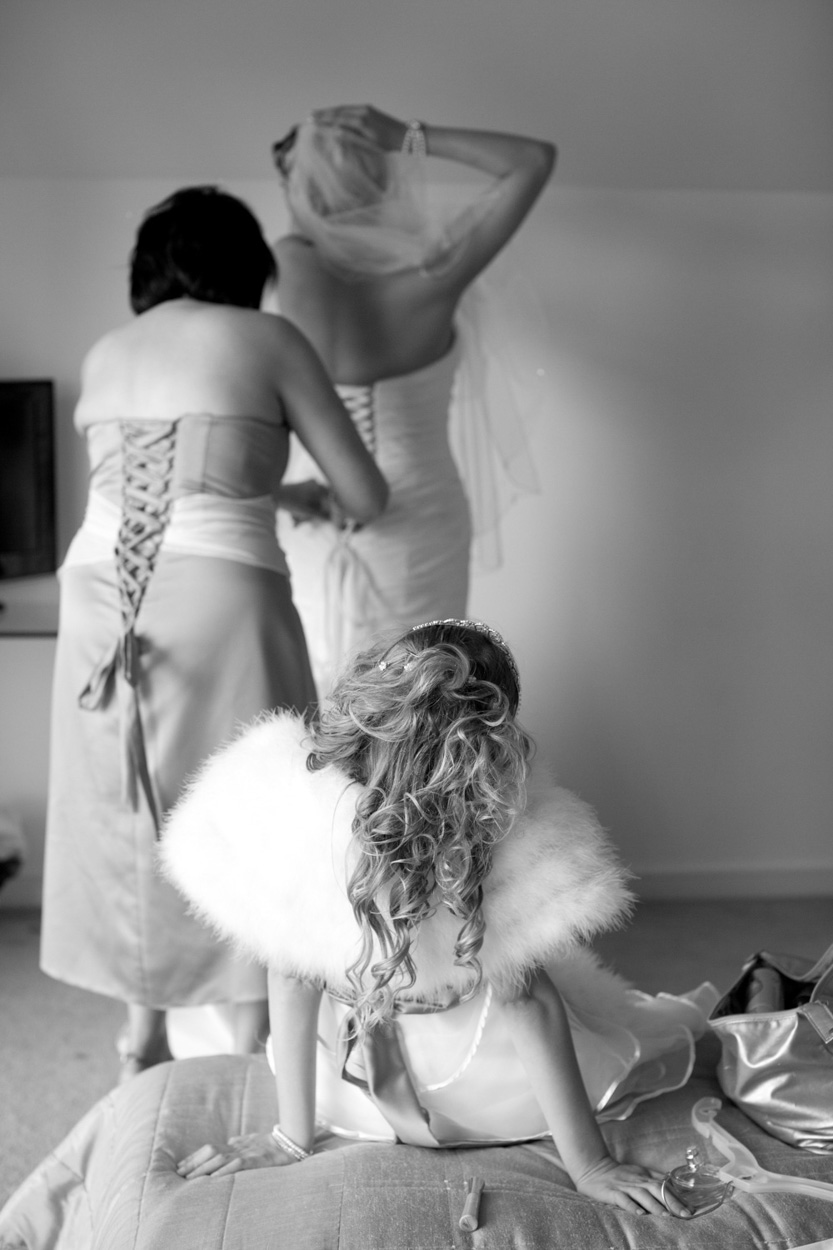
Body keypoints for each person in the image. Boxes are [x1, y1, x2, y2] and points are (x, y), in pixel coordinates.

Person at [161, 619, 716, 1215]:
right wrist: (591, 1164)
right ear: (496, 732)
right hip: (478, 1083)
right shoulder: (513, 822)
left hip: (342, 1087)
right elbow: (524, 1000)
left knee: (225, 1008)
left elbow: (292, 973)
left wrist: (291, 1136)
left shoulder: (298, 799)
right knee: (615, 1024)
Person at [40, 186, 388, 1081]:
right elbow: (365, 494)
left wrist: (269, 488)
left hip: (97, 598)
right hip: (221, 598)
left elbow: (161, 481)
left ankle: (140, 1034)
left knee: (129, 801)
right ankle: (248, 1038)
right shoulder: (269, 340)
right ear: (245, 269)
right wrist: (299, 489)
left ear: (147, 269)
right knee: (250, 802)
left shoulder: (109, 351)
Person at [269, 105, 555, 695]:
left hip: (320, 513)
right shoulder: (435, 273)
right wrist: (406, 136)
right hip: (424, 516)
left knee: (326, 708)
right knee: (426, 697)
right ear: (381, 185)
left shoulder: (289, 273)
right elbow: (533, 161)